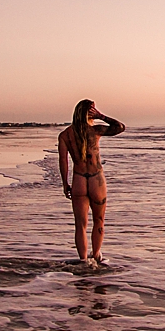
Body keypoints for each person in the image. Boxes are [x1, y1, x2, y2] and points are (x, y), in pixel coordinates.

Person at [57, 99, 125, 268]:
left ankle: (82, 260)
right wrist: (102, 116)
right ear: (90, 113)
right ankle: (96, 256)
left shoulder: (65, 135)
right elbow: (120, 127)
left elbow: (63, 161)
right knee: (99, 220)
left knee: (80, 224)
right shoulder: (95, 130)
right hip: (96, 179)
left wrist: (65, 183)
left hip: (79, 179)